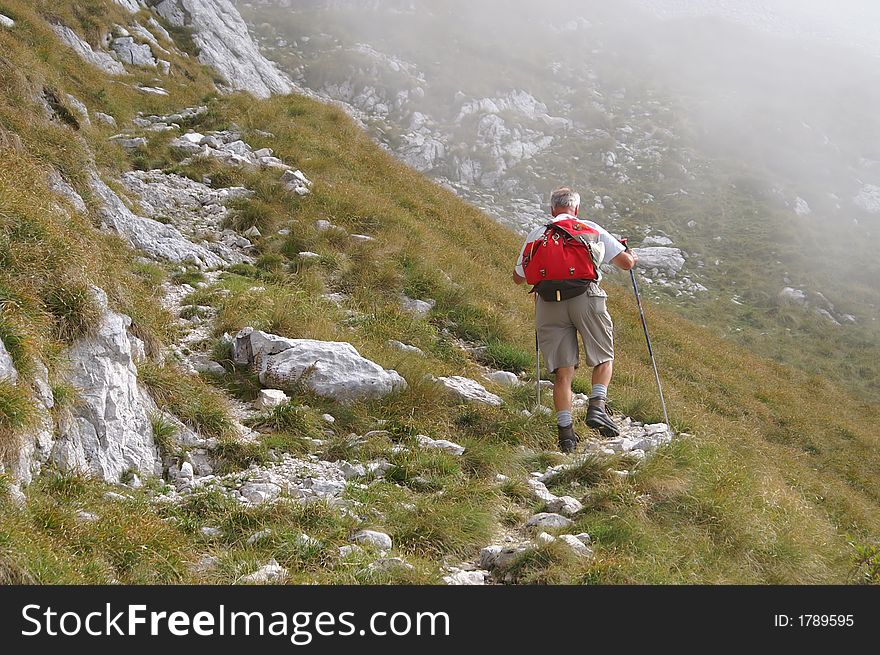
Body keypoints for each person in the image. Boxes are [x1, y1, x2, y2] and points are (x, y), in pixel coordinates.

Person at [513, 187, 637, 453]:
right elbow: (625, 263)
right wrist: (632, 254)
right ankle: (597, 407)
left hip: (548, 304)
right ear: (576, 209)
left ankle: (566, 437)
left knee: (562, 372)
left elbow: (518, 277)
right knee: (603, 356)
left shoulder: (538, 234)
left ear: (551, 210)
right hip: (586, 297)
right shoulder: (588, 226)